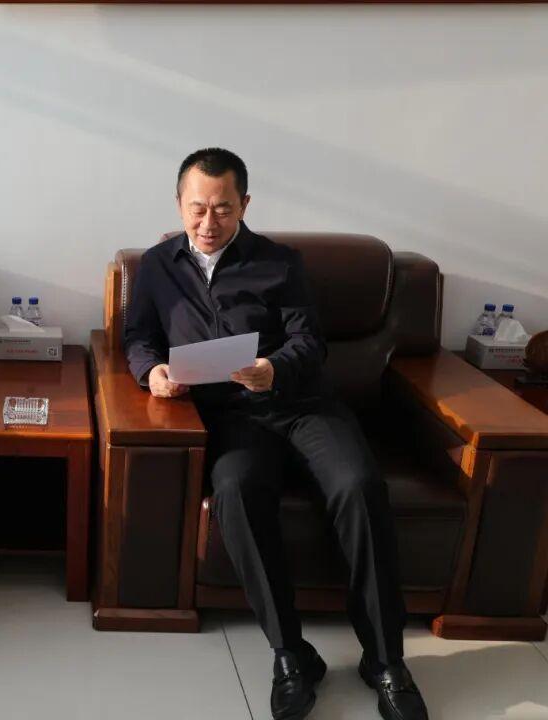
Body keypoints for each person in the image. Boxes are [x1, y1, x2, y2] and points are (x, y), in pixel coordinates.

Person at [124, 148, 428, 720]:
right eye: (197, 209)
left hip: (303, 406)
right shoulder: (156, 267)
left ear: (244, 204)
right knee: (236, 492)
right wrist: (153, 372)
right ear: (178, 204)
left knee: (361, 486)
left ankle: (386, 659)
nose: (208, 223)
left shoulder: (281, 262)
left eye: (222, 209)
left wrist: (274, 368)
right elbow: (137, 337)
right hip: (232, 418)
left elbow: (309, 341)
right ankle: (291, 655)